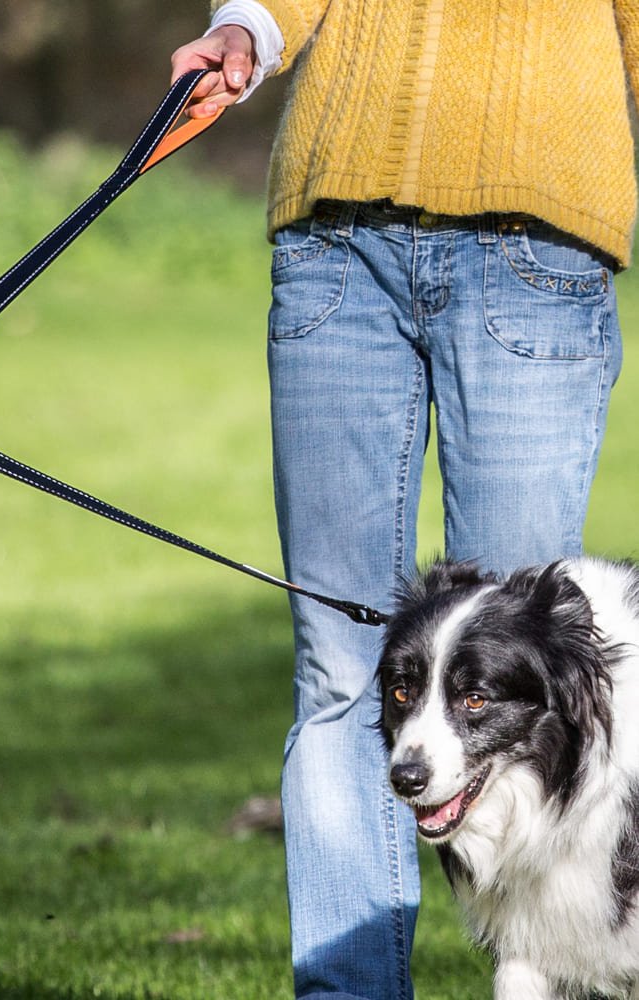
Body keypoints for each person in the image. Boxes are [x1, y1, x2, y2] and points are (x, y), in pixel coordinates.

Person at [170, 3, 635, 997]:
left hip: (533, 244)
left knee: (530, 666)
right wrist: (248, 28)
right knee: (342, 669)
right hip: (334, 246)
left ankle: (559, 966)